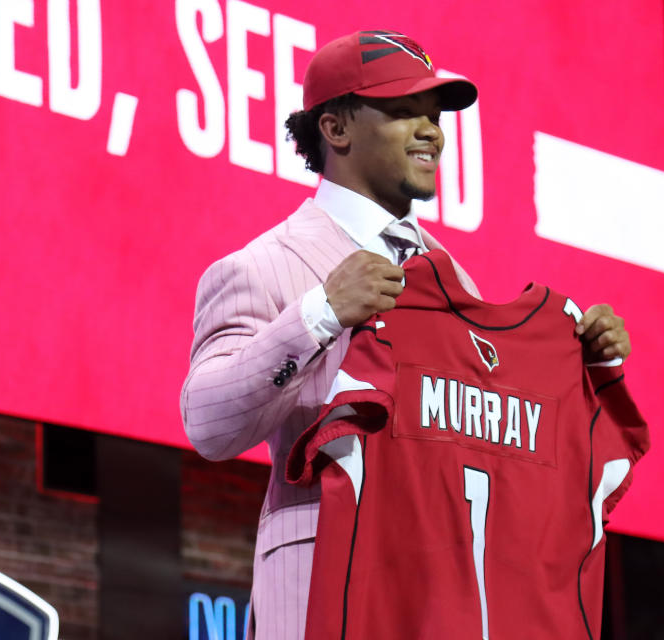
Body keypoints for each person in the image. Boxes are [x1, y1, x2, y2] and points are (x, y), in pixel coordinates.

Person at [180, 29, 631, 640]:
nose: (432, 132)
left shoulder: (450, 274)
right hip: (326, 596)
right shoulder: (261, 266)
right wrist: (320, 312)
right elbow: (209, 425)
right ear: (335, 129)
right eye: (402, 112)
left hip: (435, 602)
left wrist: (584, 362)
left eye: (434, 115)